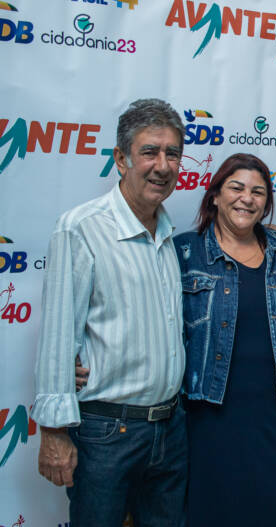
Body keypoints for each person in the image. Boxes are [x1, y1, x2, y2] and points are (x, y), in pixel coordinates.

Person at [31, 98, 189, 526]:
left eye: (172, 153)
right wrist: (53, 431)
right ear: (121, 158)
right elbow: (59, 335)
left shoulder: (169, 233)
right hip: (106, 434)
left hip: (170, 430)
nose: (163, 166)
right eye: (149, 152)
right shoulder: (81, 228)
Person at [175, 153, 276, 526]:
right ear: (215, 196)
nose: (247, 198)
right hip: (207, 417)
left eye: (258, 192)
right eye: (236, 188)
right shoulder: (184, 252)